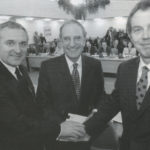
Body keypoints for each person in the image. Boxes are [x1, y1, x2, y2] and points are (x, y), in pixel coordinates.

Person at [84, 1, 150, 150]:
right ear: (131, 36)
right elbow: (113, 103)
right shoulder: (125, 69)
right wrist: (84, 128)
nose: (146, 36)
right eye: (138, 29)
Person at [36, 20, 105, 150]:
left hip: (85, 134)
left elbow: (101, 96)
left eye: (77, 38)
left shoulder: (95, 65)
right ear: (60, 41)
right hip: (59, 137)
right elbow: (42, 103)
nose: (72, 44)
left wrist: (94, 115)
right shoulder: (48, 67)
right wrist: (61, 125)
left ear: (84, 40)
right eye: (67, 39)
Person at [0, 21, 61, 150]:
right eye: (10, 43)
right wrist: (59, 128)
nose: (18, 50)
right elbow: (16, 122)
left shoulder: (21, 69)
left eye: (22, 44)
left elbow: (32, 106)